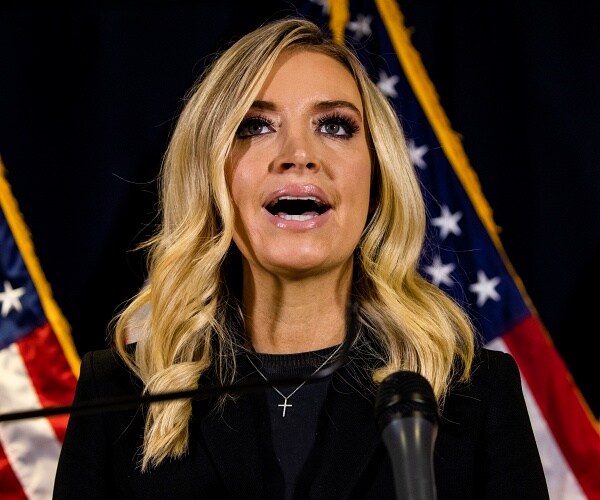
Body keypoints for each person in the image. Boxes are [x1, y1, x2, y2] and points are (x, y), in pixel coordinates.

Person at [53, 17, 549, 500]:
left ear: (377, 177)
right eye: (256, 126)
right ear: (211, 176)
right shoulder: (119, 394)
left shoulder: (474, 395)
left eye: (334, 126)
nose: (298, 154)